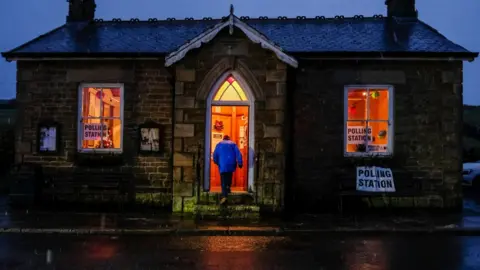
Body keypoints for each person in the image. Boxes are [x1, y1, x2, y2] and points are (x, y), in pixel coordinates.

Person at [213, 135, 243, 205]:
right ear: (229, 139)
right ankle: (228, 188)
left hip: (222, 163)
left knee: (223, 179)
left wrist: (217, 162)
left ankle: (224, 196)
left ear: (223, 139)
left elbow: (215, 155)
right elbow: (238, 154)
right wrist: (240, 163)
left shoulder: (219, 144)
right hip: (231, 163)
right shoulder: (233, 144)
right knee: (229, 175)